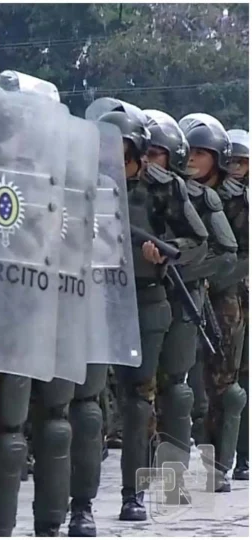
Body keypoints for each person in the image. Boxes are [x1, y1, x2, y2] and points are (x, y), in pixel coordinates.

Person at [95, 106, 209, 521]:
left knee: (140, 400)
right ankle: (79, 503)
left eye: (123, 155)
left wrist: (164, 252)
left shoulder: (164, 189)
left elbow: (197, 240)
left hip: (146, 298)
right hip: (92, 297)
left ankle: (132, 494)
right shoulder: (81, 186)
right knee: (87, 403)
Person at [179, 114, 248, 493]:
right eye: (189, 151)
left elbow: (244, 256)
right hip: (186, 293)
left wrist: (211, 279)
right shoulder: (179, 193)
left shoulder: (239, 200)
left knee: (225, 384)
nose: (192, 159)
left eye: (201, 153)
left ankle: (220, 465)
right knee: (188, 386)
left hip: (227, 299)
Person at [225, 128, 249, 481]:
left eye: (242, 162)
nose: (235, 167)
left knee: (244, 378)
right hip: (225, 295)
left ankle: (243, 456)